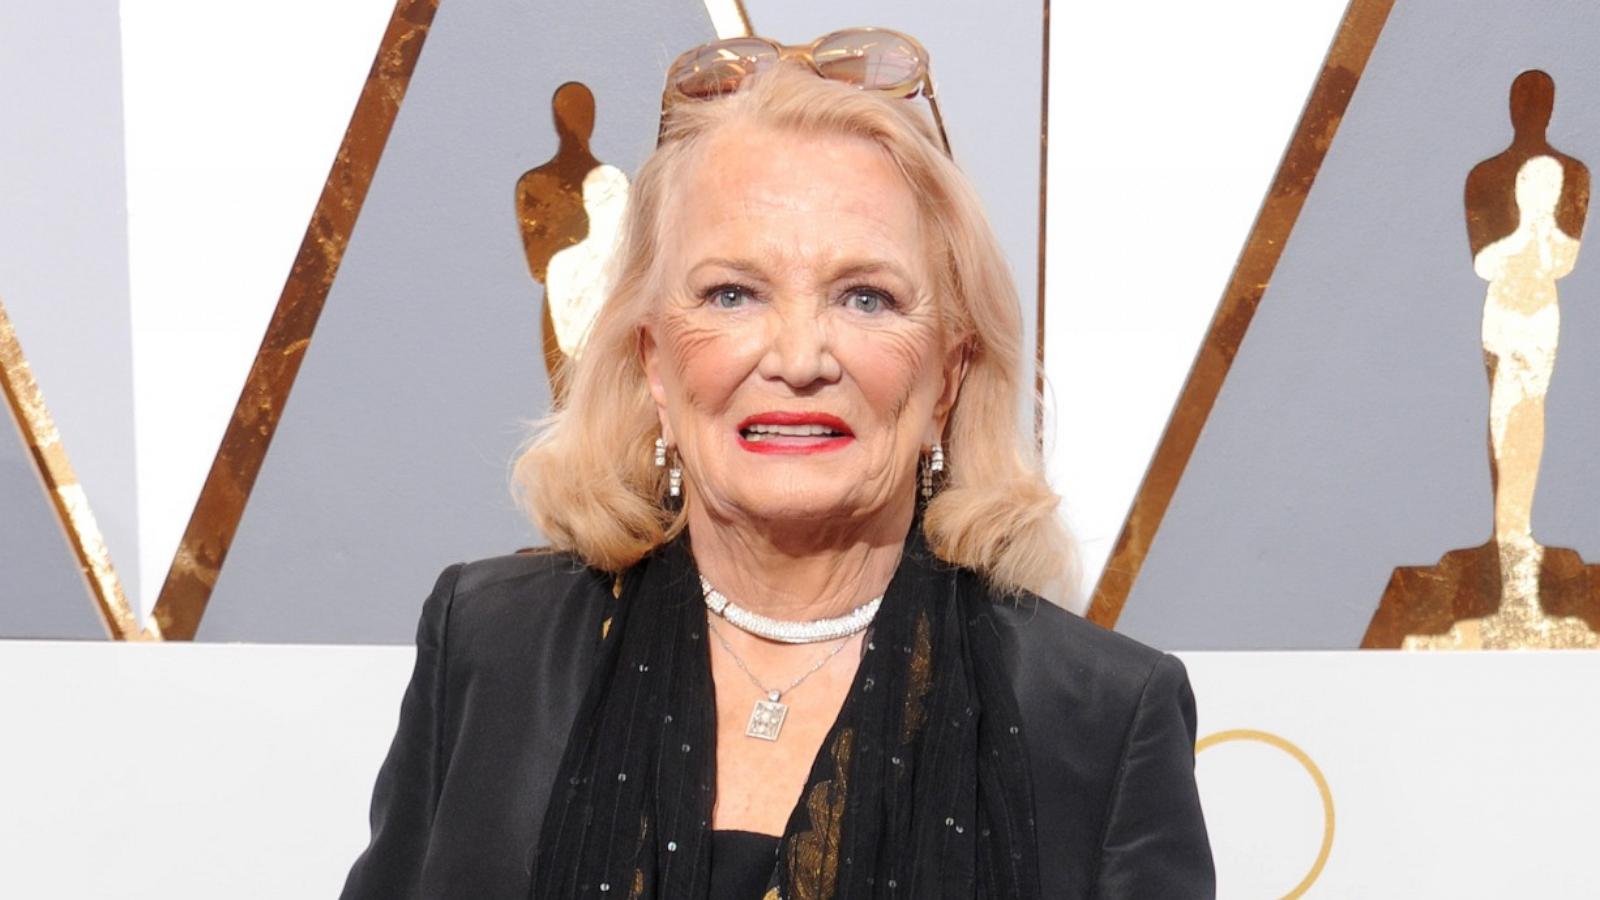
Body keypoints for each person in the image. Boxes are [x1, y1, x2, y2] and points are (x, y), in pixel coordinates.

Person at [343, 28, 1213, 899]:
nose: (800, 359)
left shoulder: (1100, 716)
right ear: (654, 359)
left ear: (948, 372)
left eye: (865, 297)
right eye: (733, 293)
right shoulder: (490, 647)